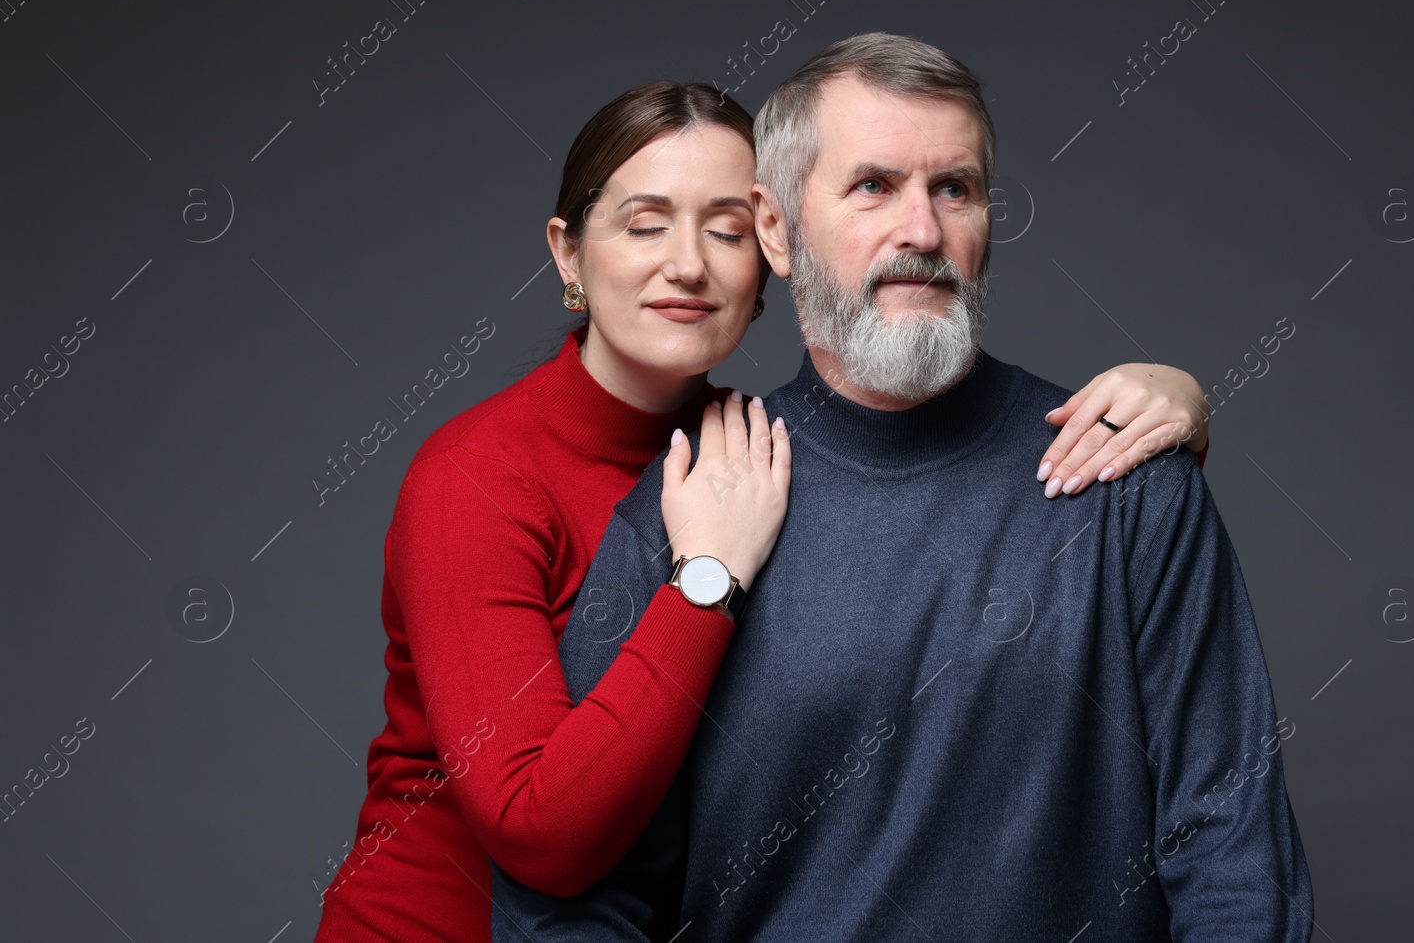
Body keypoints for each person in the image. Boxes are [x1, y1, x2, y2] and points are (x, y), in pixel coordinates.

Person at [313, 76, 1213, 943]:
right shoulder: (477, 478)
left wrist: (1176, 395)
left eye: (728, 230)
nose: (688, 265)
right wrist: (709, 578)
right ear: (567, 253)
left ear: (776, 248)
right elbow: (536, 829)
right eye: (645, 223)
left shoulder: (751, 452)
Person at [494, 34, 1311, 942]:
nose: (922, 232)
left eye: (953, 188)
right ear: (776, 229)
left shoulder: (1125, 481)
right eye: (874, 186)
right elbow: (569, 902)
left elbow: (1234, 855)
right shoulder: (691, 509)